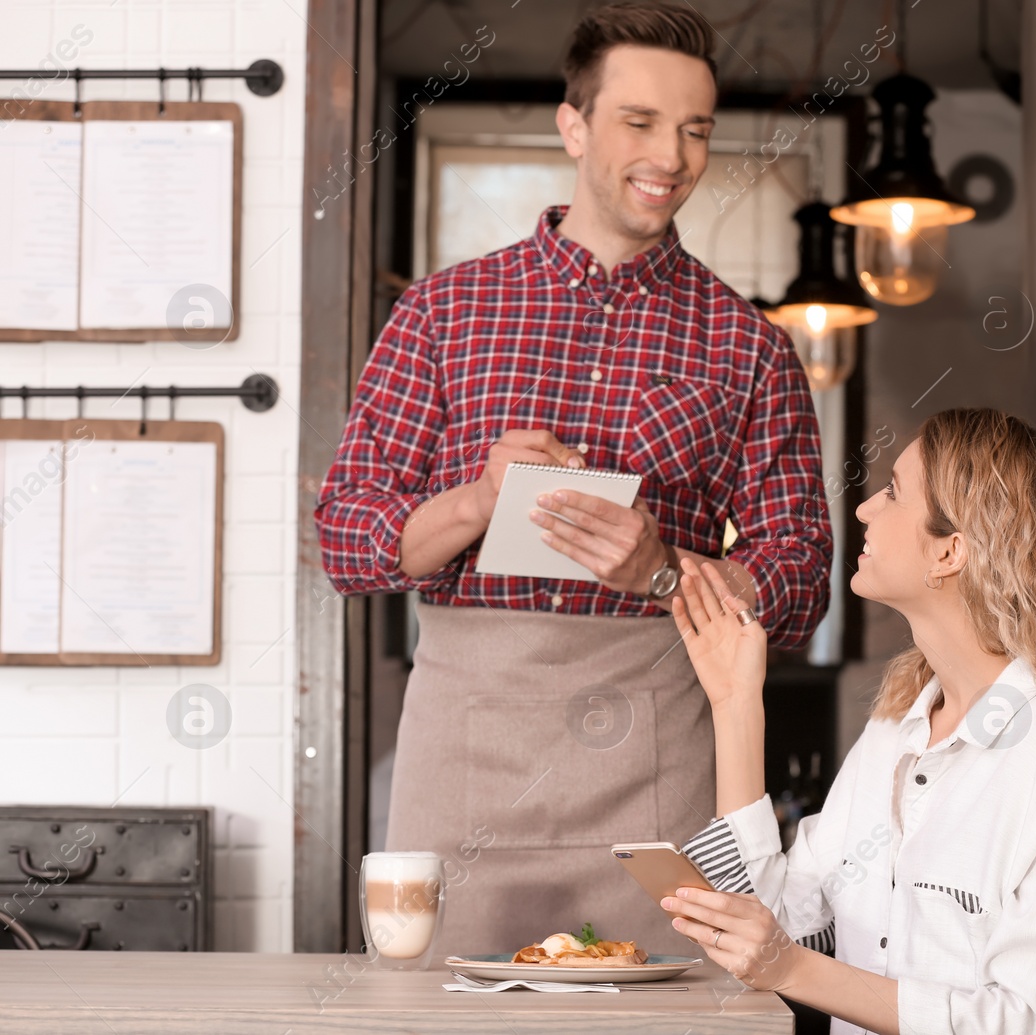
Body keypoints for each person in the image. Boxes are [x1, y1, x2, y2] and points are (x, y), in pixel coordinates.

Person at [314, 1, 832, 954]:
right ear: (574, 124)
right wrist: (476, 499)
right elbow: (347, 541)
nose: (671, 156)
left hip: (657, 766)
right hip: (463, 750)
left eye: (695, 130)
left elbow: (800, 580)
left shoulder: (749, 347)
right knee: (439, 1018)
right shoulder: (441, 314)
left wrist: (670, 572)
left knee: (665, 1013)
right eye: (640, 122)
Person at [661, 408, 1036, 1035]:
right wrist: (736, 705)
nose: (866, 508)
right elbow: (774, 923)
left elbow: (1024, 1023)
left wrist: (790, 968)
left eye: (895, 491)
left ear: (950, 551)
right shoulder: (895, 730)